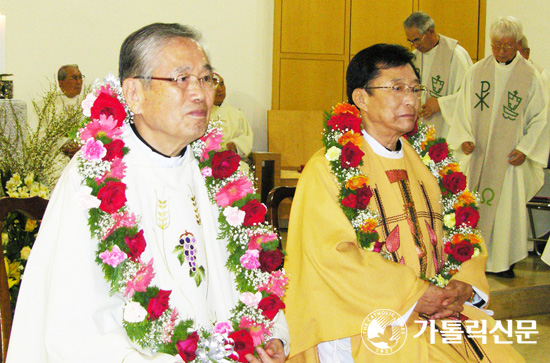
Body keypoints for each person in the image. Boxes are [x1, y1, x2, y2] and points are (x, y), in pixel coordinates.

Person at [7, 23, 289, 362]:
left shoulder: (218, 171)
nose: (200, 93)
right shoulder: (94, 177)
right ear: (134, 94)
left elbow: (252, 274)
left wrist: (268, 337)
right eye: (181, 79)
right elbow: (75, 318)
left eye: (206, 78)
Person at [283, 43, 525, 362]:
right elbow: (332, 257)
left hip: (442, 313)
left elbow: (463, 230)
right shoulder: (330, 169)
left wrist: (465, 283)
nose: (411, 99)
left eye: (414, 88)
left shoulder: (429, 163)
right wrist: (414, 295)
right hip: (369, 320)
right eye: (396, 88)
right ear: (361, 98)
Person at [447, 16, 550, 278]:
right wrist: (464, 137)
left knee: (505, 211)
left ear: (517, 45)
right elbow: (462, 108)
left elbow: (541, 118)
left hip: (508, 159)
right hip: (479, 154)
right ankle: (470, 259)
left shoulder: (530, 76)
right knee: (473, 204)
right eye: (496, 45)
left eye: (506, 46)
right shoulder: (477, 70)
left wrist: (526, 149)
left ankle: (502, 262)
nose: (501, 51)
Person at [404, 12, 473, 138]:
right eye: (410, 41)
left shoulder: (456, 56)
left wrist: (441, 103)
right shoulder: (414, 57)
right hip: (419, 126)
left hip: (446, 129)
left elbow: (470, 94)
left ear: (430, 32)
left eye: (417, 40)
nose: (415, 45)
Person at [210, 74, 254, 158]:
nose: (219, 89)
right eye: (214, 85)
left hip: (231, 161)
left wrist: (236, 145)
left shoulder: (237, 114)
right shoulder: (200, 114)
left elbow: (246, 137)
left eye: (222, 84)